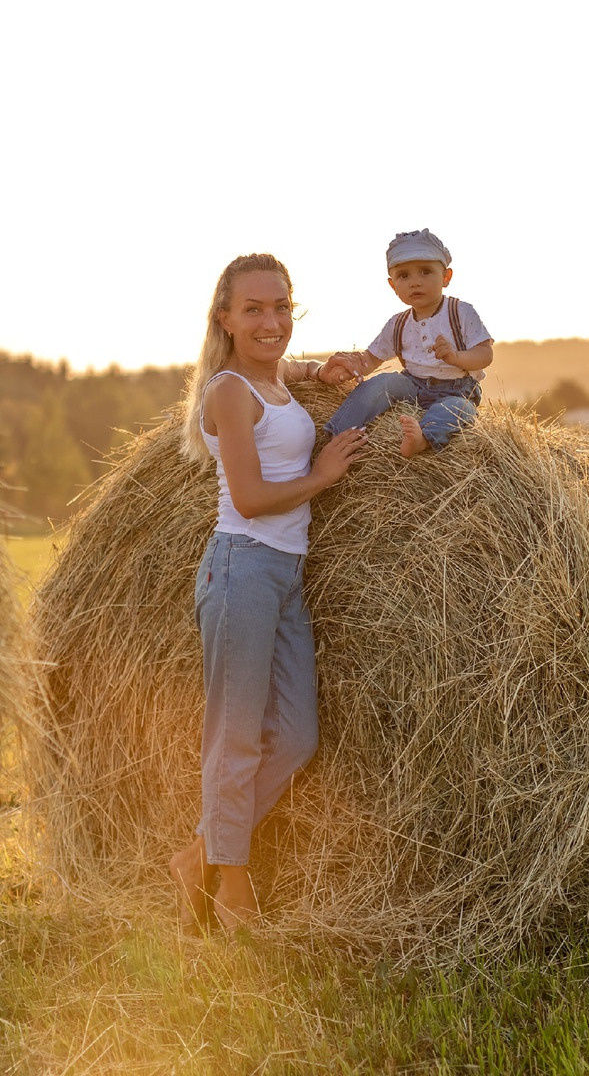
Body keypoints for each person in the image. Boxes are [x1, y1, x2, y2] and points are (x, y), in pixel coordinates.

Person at [170, 253, 366, 933]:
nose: (271, 321)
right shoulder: (229, 388)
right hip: (242, 569)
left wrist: (321, 369)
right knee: (237, 737)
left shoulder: (271, 379)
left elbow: (284, 371)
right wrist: (324, 474)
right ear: (225, 317)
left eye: (281, 307)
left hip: (283, 574)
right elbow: (249, 499)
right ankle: (232, 882)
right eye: (253, 309)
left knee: (297, 735)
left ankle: (199, 853)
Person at [324, 229, 494, 457]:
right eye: (404, 276)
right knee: (381, 382)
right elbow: (371, 359)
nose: (415, 282)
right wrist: (351, 367)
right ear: (393, 285)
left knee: (458, 410)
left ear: (446, 277)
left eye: (425, 272)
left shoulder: (460, 312)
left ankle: (423, 439)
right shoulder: (398, 323)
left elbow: (485, 353)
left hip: (456, 391)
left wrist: (456, 357)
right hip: (413, 386)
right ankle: (338, 434)